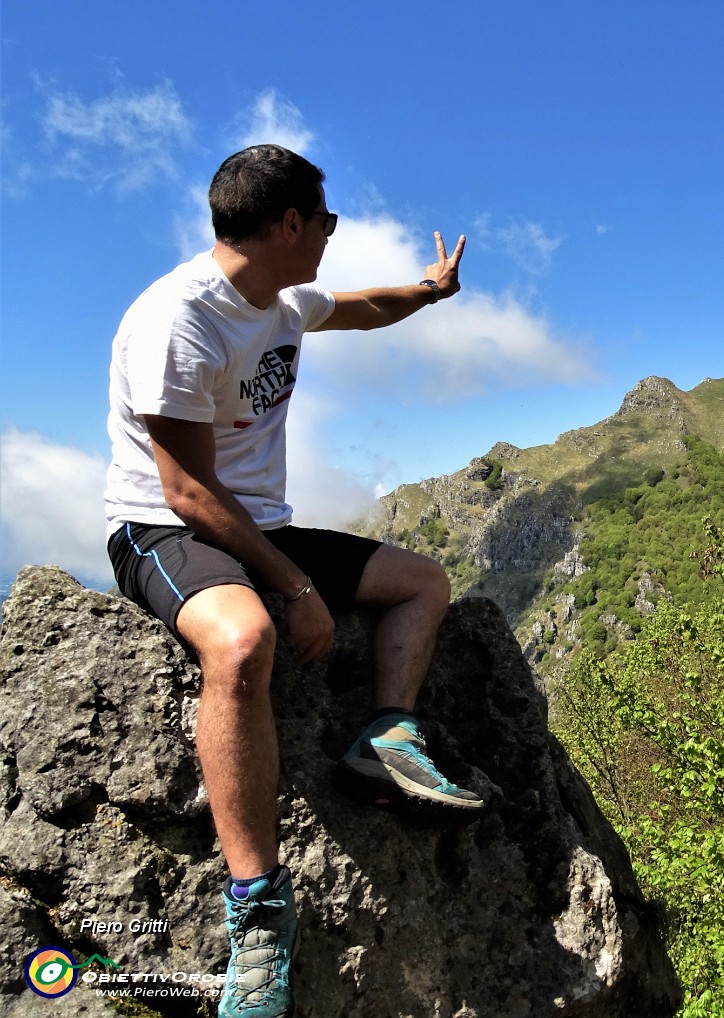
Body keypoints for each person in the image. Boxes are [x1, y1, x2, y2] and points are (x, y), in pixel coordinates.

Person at [104, 144, 483, 1018]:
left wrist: (430, 291)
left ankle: (385, 738)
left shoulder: (276, 299)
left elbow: (359, 307)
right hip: (164, 530)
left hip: (259, 528)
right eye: (328, 222)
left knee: (424, 582)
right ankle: (261, 914)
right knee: (244, 643)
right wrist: (297, 587)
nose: (331, 237)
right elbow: (188, 493)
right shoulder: (179, 322)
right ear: (289, 225)